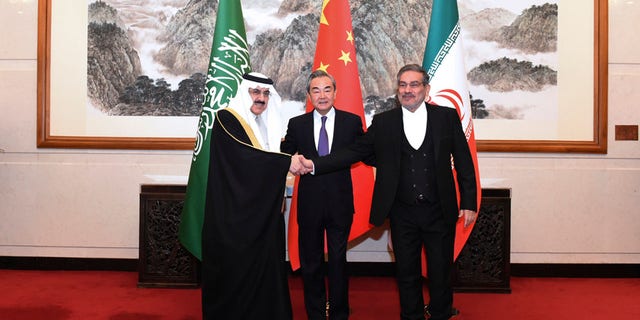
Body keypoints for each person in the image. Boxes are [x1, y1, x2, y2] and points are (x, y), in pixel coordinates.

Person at [296, 64, 478, 320]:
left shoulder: (446, 117)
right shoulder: (384, 122)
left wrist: (469, 201)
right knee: (406, 272)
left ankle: (440, 313)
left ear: (426, 90)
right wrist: (316, 164)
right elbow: (356, 152)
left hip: (439, 210)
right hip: (402, 212)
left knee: (440, 272)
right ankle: (411, 315)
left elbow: (463, 161)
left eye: (414, 85)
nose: (408, 90)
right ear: (397, 90)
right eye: (402, 85)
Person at [201, 72, 298, 320]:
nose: (262, 98)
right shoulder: (226, 119)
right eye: (256, 92)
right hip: (234, 219)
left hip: (263, 217)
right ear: (244, 93)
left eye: (266, 93)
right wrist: (286, 162)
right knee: (236, 276)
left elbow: (264, 163)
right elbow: (245, 158)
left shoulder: (266, 125)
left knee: (267, 273)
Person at [281, 70, 365, 320]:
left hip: (340, 203)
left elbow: (363, 151)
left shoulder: (352, 122)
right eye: (316, 90)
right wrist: (290, 159)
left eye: (327, 89)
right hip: (309, 204)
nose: (322, 95)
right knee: (312, 262)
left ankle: (339, 313)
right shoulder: (297, 124)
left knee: (338, 261)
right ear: (309, 95)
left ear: (335, 93)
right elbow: (284, 154)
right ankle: (316, 313)